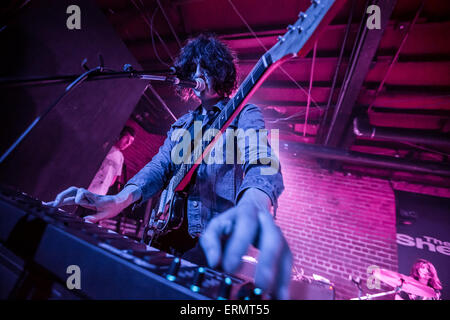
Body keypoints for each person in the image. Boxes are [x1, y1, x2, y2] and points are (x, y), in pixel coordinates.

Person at [45, 34, 292, 299]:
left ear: (219, 70)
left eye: (204, 67)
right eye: (192, 68)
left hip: (208, 247)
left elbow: (263, 161)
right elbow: (159, 167)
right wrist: (119, 198)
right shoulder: (182, 124)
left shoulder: (244, 113)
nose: (196, 74)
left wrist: (252, 205)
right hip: (161, 237)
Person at [88, 126, 135, 196]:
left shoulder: (120, 158)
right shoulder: (106, 147)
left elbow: (114, 177)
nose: (128, 143)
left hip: (100, 192)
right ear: (120, 136)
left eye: (130, 141)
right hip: (88, 186)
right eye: (127, 139)